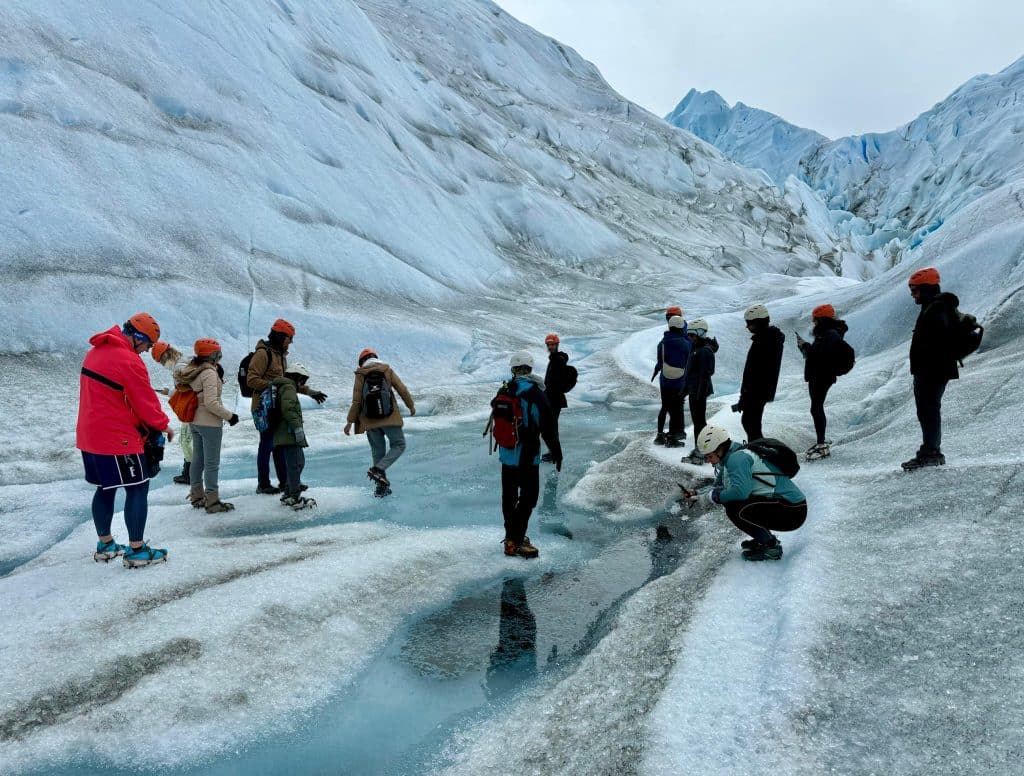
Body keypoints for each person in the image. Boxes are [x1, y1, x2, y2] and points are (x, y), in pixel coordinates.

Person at [76, 313, 173, 568]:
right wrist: (163, 426)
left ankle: (105, 545)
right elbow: (145, 403)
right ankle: (137, 550)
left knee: (105, 488)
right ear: (138, 337)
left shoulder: (95, 352)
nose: (145, 351)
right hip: (118, 439)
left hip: (89, 436)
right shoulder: (128, 361)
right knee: (138, 487)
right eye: (147, 346)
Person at [682, 425, 807, 561]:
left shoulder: (737, 459)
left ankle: (771, 547)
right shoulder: (733, 455)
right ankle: (763, 538)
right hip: (789, 506)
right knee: (732, 501)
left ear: (720, 449)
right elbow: (719, 486)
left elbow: (740, 492)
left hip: (792, 511)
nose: (707, 461)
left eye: (709, 456)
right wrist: (697, 493)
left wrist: (712, 497)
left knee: (734, 507)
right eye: (705, 457)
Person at [492, 352, 562, 558]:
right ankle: (515, 540)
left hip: (507, 454)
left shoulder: (504, 389)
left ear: (512, 369)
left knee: (509, 497)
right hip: (528, 454)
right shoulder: (535, 393)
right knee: (529, 498)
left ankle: (512, 537)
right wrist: (557, 452)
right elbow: (548, 428)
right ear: (530, 369)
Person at [247, 319, 327, 494]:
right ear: (280, 335)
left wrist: (310, 391)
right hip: (264, 408)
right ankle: (263, 484)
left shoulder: (281, 356)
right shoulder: (263, 354)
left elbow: (287, 383)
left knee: (279, 444)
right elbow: (251, 380)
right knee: (267, 445)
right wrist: (273, 385)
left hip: (276, 407)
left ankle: (286, 482)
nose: (291, 341)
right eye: (289, 338)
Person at [903, 266, 959, 470]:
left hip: (932, 370)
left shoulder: (936, 309)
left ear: (925, 288)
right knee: (928, 410)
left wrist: (926, 364)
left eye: (915, 290)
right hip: (933, 369)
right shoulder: (934, 306)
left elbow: (938, 340)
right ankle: (931, 450)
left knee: (929, 410)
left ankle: (931, 453)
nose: (912, 295)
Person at [344, 348, 416, 497]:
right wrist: (410, 405)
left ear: (362, 361)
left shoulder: (361, 375)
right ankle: (379, 470)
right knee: (399, 444)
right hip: (390, 417)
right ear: (376, 357)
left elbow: (357, 401)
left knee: (378, 452)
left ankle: (380, 488)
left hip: (370, 421)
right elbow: (402, 389)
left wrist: (350, 422)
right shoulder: (386, 369)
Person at [178, 338, 239, 512]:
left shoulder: (193, 369)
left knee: (197, 460)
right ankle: (212, 502)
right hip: (209, 423)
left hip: (194, 421)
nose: (220, 357)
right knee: (212, 463)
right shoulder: (209, 373)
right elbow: (211, 403)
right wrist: (230, 416)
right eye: (218, 353)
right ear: (213, 355)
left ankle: (197, 497)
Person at [796, 304, 849, 460]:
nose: (814, 323)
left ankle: (821, 445)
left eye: (816, 320)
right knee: (816, 407)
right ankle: (821, 441)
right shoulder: (831, 333)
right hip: (822, 375)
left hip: (821, 376)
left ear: (822, 320)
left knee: (816, 408)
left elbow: (821, 357)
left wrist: (805, 346)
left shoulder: (830, 334)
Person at [733, 303, 784, 442]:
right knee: (751, 423)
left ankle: (758, 452)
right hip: (760, 390)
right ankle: (757, 450)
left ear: (758, 322)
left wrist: (746, 394)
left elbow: (755, 371)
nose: (747, 327)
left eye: (749, 323)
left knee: (750, 424)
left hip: (756, 391)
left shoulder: (764, 340)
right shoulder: (769, 338)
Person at [273, 363, 316, 509]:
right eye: (302, 380)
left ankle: (288, 492)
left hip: (283, 432)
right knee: (296, 463)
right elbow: (288, 409)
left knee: (296, 462)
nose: (302, 384)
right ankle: (294, 497)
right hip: (289, 432)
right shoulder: (288, 387)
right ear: (296, 377)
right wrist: (297, 428)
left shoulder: (282, 386)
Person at [152, 341, 193, 485]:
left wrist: (170, 392)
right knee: (187, 441)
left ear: (166, 356)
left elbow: (188, 389)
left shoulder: (179, 367)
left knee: (186, 441)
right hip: (194, 408)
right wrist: (169, 392)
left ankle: (190, 475)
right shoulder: (184, 361)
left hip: (192, 410)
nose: (163, 365)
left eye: (161, 361)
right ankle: (188, 473)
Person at [651, 314, 690, 447]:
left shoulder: (662, 343)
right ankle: (672, 438)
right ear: (681, 328)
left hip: (665, 380)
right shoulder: (686, 344)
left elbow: (660, 362)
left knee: (665, 407)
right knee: (676, 409)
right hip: (679, 381)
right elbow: (688, 362)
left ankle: (660, 435)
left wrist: (656, 372)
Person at [682, 319, 716, 464]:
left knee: (700, 422)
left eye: (692, 335)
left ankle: (702, 452)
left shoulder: (704, 351)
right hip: (694, 390)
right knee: (698, 421)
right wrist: (684, 392)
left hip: (699, 392)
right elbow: (690, 373)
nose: (690, 338)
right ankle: (701, 450)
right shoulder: (696, 349)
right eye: (689, 335)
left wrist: (699, 394)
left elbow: (705, 374)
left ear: (700, 334)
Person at [541, 333, 570, 463]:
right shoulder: (554, 359)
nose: (551, 347)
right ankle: (553, 452)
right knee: (551, 427)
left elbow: (556, 381)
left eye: (553, 344)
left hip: (554, 400)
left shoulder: (558, 360)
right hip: (550, 399)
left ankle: (554, 454)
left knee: (550, 428)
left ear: (557, 345)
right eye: (549, 345)